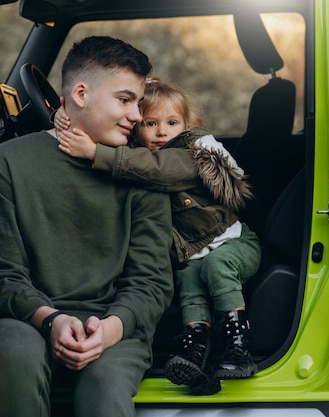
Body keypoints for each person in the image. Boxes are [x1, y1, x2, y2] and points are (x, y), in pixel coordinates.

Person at [0, 36, 174, 417]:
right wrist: (52, 321)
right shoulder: (8, 163)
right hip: (25, 319)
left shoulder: (142, 171)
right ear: (80, 94)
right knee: (17, 355)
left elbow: (151, 282)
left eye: (138, 103)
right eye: (125, 100)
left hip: (115, 324)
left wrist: (110, 329)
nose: (135, 116)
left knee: (105, 387)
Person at [54, 77, 262, 395]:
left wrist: (95, 152)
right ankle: (197, 350)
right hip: (195, 253)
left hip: (234, 243)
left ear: (187, 124)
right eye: (151, 123)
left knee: (216, 268)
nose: (162, 131)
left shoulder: (192, 153)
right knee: (190, 282)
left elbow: (154, 169)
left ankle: (238, 346)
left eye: (172, 122)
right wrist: (65, 115)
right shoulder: (140, 154)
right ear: (137, 125)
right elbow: (130, 156)